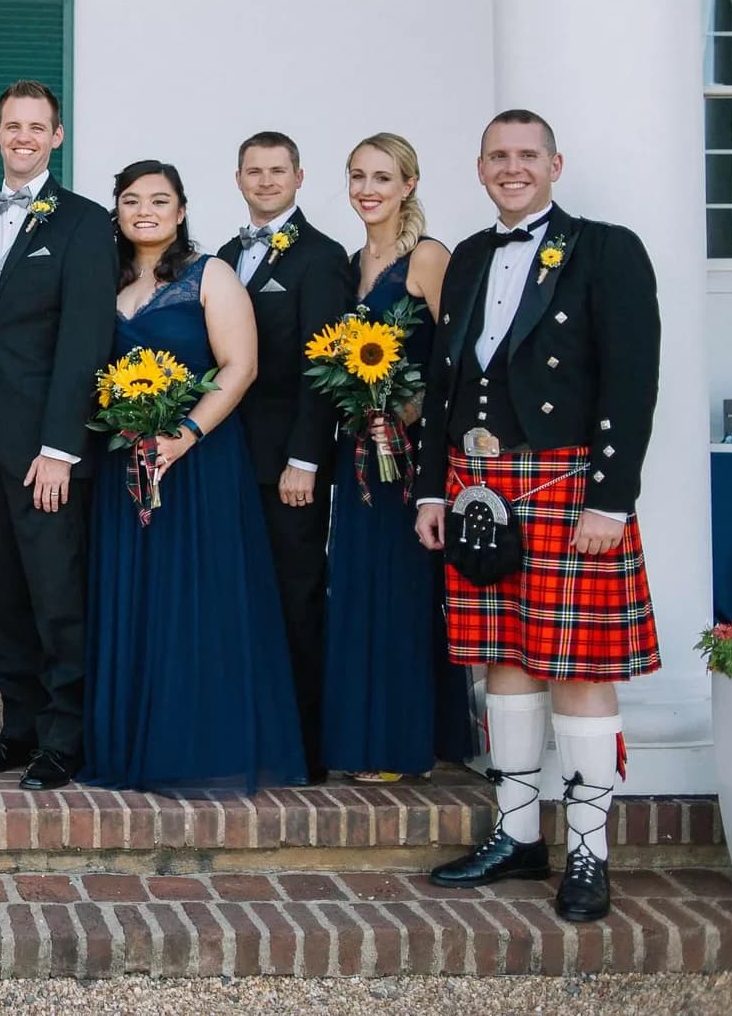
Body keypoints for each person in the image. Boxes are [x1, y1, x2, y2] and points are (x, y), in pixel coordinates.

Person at [416, 110, 661, 923]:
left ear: (555, 162)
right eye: (497, 156)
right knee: (504, 659)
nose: (512, 168)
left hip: (565, 486)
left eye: (527, 156)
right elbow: (444, 382)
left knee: (583, 668)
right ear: (480, 166)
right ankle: (519, 836)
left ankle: (589, 852)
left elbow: (631, 379)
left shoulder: (606, 249)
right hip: (479, 485)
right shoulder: (471, 257)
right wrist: (430, 490)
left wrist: (611, 498)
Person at [84, 161, 306, 792]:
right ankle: (130, 743)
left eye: (160, 200)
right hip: (123, 464)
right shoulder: (103, 281)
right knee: (134, 597)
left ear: (181, 212)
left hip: (198, 463)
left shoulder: (213, 275)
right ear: (118, 212)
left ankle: (198, 743)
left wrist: (181, 437)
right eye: (131, 200)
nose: (145, 210)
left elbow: (241, 367)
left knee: (196, 598)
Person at [0, 80, 117, 791]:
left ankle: (64, 736)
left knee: (57, 596)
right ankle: (18, 728)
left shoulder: (84, 223)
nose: (23, 136)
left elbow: (85, 339)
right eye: (11, 124)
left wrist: (61, 446)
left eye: (37, 126)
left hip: (48, 451)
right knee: (3, 599)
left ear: (56, 137)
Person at [319, 133, 476, 782]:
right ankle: (365, 735)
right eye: (357, 176)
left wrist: (410, 408)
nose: (367, 188)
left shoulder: (427, 257)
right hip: (359, 451)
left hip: (411, 454)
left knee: (404, 591)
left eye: (382, 177)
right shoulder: (351, 262)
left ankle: (402, 739)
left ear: (408, 184)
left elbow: (459, 357)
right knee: (357, 588)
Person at [214, 131, 351, 783]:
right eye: (254, 171)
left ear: (298, 176)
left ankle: (305, 745)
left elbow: (326, 367)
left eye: (277, 170)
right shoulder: (223, 254)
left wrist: (306, 459)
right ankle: (249, 728)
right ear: (238, 177)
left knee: (295, 597)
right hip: (228, 459)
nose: (266, 181)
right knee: (241, 597)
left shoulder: (321, 260)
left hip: (286, 467)